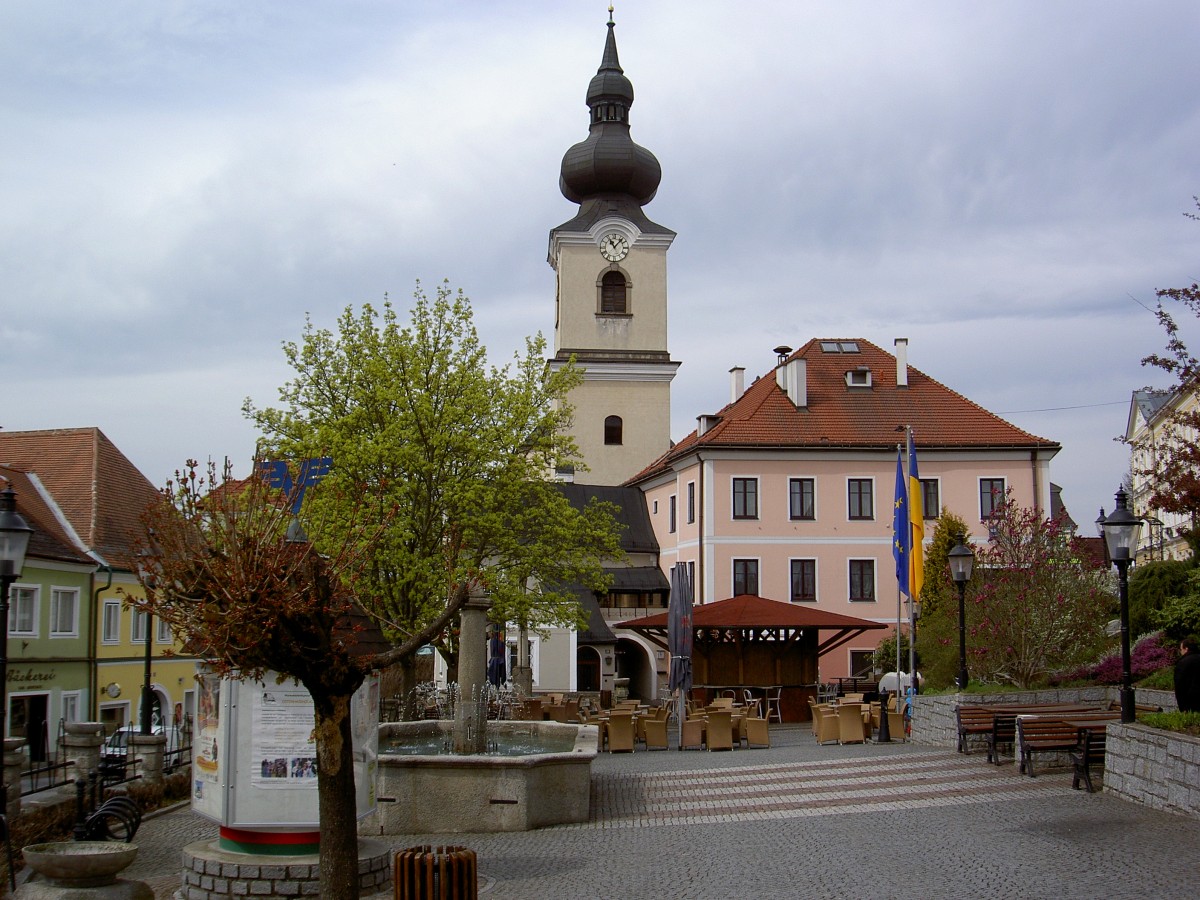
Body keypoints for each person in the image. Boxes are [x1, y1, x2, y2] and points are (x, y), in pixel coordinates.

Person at [1175, 636, 1200, 713]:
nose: (1180, 652)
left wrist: (1182, 707)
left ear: (1186, 649)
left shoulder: (1183, 663)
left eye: (1181, 649)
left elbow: (1179, 686)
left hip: (1190, 702)